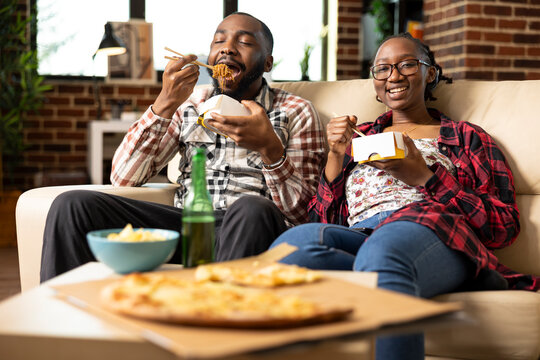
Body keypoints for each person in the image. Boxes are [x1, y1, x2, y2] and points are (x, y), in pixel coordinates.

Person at [270, 32, 540, 359]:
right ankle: (389, 274)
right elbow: (325, 220)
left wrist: (425, 176)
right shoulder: (361, 136)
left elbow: (503, 226)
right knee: (291, 248)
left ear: (430, 73)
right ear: (375, 83)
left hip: (433, 228)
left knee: (386, 250)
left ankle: (390, 268)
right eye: (382, 69)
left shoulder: (465, 137)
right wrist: (336, 156)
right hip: (362, 234)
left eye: (407, 64)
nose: (394, 76)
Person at [40, 12, 325, 281]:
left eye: (245, 42)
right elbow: (123, 177)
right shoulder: (190, 103)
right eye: (219, 41)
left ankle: (218, 318)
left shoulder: (295, 110)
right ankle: (64, 322)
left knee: (251, 208)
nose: (227, 49)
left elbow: (303, 214)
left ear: (267, 63)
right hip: (188, 226)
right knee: (73, 204)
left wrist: (270, 149)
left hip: (253, 227)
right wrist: (164, 103)